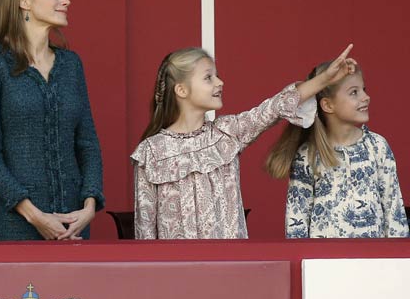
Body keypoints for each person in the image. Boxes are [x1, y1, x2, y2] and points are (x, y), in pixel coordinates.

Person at [131, 44, 356, 239]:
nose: (220, 82)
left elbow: (275, 107)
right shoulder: (151, 152)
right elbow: (145, 231)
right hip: (176, 278)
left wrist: (324, 79)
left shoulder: (228, 133)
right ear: (181, 89)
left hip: (232, 270)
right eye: (208, 77)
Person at [0, 0, 103, 240]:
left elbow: (87, 143)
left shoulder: (71, 65)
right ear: (24, 1)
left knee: (76, 287)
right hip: (17, 225)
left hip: (75, 224)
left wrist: (90, 205)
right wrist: (34, 215)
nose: (66, 0)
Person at [265, 62, 409, 238]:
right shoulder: (307, 155)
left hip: (372, 263)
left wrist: (396, 262)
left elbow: (394, 211)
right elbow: (297, 222)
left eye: (364, 89)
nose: (366, 97)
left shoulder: (377, 146)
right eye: (354, 92)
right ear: (328, 105)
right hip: (322, 264)